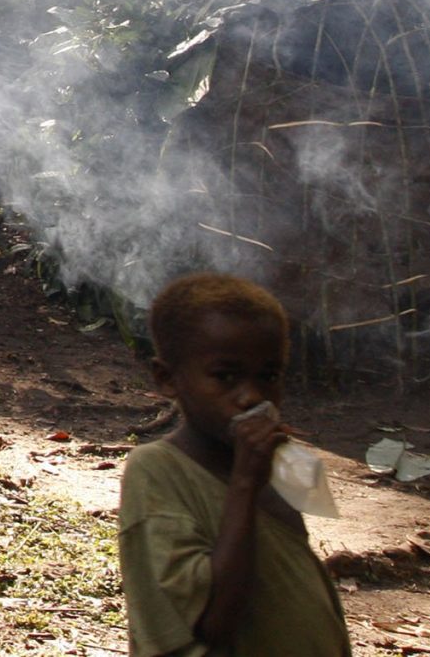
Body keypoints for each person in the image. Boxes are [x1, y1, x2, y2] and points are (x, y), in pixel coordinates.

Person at [118, 272, 350, 657]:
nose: (252, 396)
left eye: (269, 376)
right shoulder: (157, 470)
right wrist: (244, 484)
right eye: (225, 377)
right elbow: (213, 621)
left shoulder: (269, 469)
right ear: (168, 379)